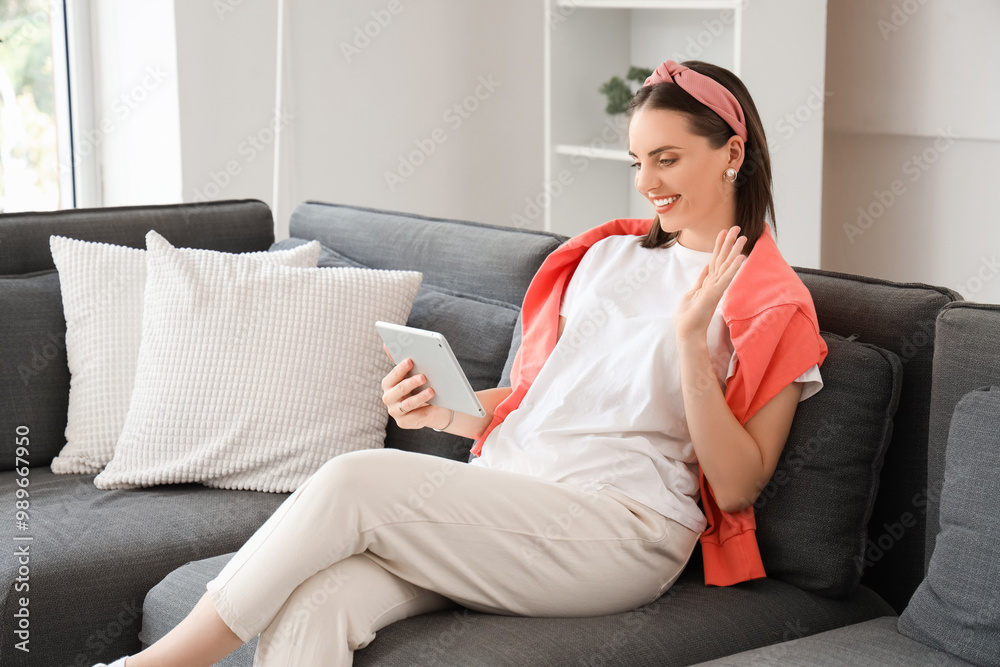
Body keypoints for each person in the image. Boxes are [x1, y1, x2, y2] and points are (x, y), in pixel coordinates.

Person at [95, 58, 826, 667]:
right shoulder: (607, 254)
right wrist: (444, 409)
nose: (647, 180)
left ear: (732, 152)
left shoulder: (771, 301)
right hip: (508, 497)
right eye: (637, 160)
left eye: (667, 159)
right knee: (317, 604)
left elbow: (736, 487)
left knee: (356, 478)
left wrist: (692, 338)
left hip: (620, 531)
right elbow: (551, 400)